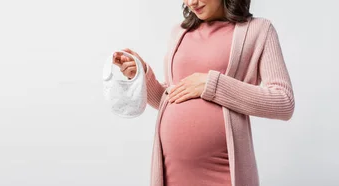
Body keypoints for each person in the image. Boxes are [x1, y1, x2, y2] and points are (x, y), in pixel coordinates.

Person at [111, 0, 295, 185]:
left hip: (224, 172)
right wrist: (142, 76)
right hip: (173, 173)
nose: (191, 2)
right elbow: (169, 99)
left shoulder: (258, 30)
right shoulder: (179, 32)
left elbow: (284, 102)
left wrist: (212, 84)